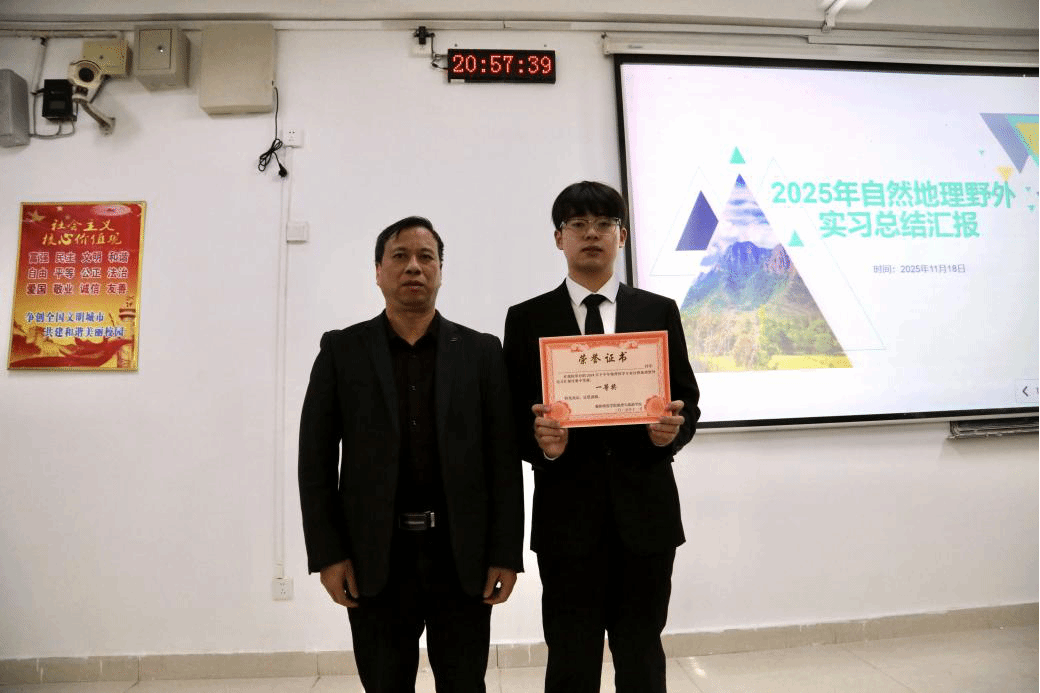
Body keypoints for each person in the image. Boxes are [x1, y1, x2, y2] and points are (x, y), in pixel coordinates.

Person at [299, 216, 524, 693]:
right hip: (375, 557)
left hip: (461, 557)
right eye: (399, 256)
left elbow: (503, 462)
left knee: (464, 684)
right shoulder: (342, 350)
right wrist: (328, 554)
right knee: (384, 684)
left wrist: (505, 553)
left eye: (426, 257)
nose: (414, 267)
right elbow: (314, 461)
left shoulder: (481, 352)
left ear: (441, 271)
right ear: (378, 271)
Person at [502, 182, 700, 693]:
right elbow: (510, 418)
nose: (591, 234)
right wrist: (542, 445)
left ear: (622, 236)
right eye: (577, 224)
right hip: (567, 518)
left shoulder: (658, 311)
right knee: (571, 655)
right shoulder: (526, 318)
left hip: (646, 514)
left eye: (604, 224)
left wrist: (669, 434)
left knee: (641, 651)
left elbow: (687, 401)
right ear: (559, 238)